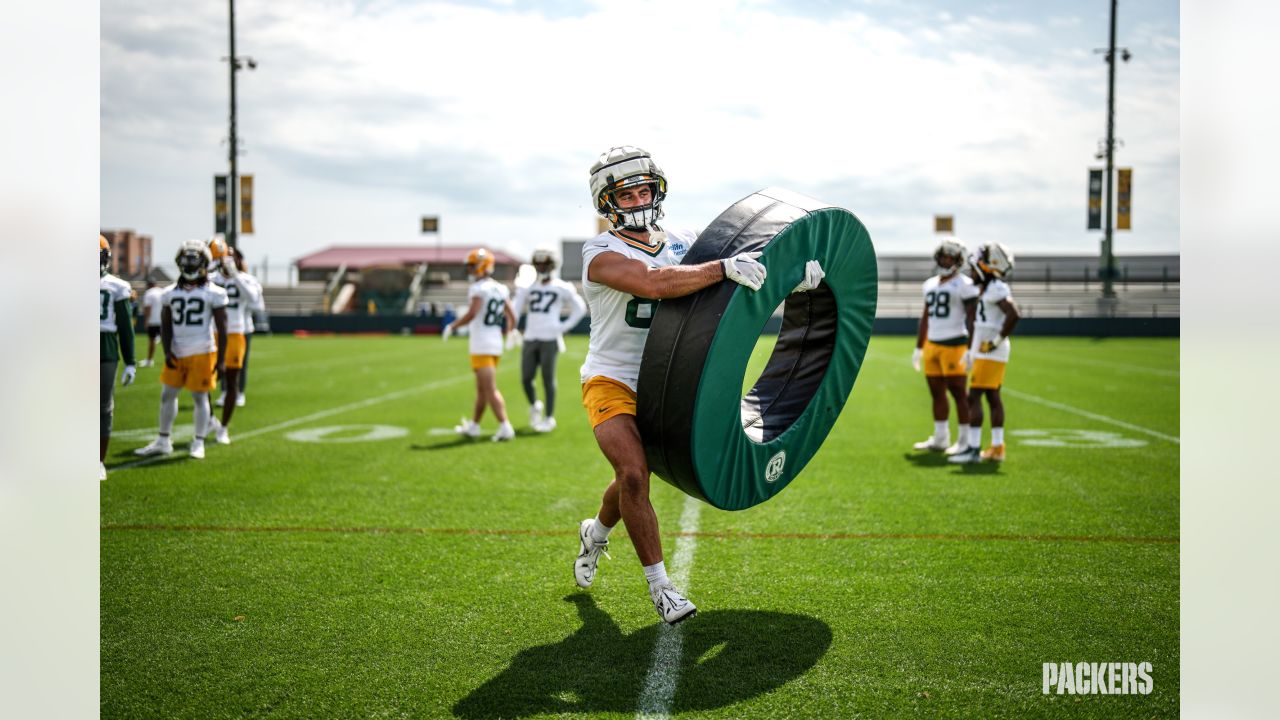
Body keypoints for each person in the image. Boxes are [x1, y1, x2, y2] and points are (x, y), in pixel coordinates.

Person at [573, 146, 822, 625]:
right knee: (633, 474)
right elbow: (652, 283)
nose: (639, 199)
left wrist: (797, 281)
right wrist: (721, 268)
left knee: (633, 475)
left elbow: (751, 270)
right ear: (607, 204)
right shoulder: (600, 252)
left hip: (666, 379)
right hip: (611, 378)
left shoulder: (686, 239)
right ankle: (661, 587)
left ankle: (596, 532)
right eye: (627, 194)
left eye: (645, 189)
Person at [134, 240, 228, 460]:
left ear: (204, 263)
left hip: (202, 351)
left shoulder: (214, 292)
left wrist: (221, 360)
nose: (189, 265)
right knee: (167, 395)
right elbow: (166, 325)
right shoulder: (169, 293)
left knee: (200, 398)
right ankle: (164, 440)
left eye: (193, 261)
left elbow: (222, 330)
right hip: (177, 350)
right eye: (186, 260)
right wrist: (167, 352)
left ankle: (198, 442)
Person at [951, 242, 1020, 464]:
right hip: (985, 350)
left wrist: (996, 341)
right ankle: (997, 447)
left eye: (975, 267)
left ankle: (973, 449)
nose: (971, 272)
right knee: (992, 397)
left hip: (991, 351)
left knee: (973, 398)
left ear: (988, 267)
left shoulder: (997, 288)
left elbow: (1013, 314)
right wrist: (972, 351)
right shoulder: (989, 289)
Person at [911, 238, 979, 455]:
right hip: (933, 344)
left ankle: (965, 440)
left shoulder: (965, 285)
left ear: (958, 260)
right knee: (936, 392)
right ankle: (941, 438)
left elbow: (972, 317)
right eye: (942, 256)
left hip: (955, 344)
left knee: (959, 393)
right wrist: (919, 347)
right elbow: (925, 317)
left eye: (950, 257)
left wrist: (971, 347)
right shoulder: (929, 284)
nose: (944, 260)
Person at [442, 248, 518, 442]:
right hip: (494, 344)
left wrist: (452, 326)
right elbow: (513, 316)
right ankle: (474, 426)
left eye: (472, 266)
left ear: (483, 265)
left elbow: (472, 314)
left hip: (481, 344)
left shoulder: (478, 289)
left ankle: (505, 426)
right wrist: (510, 332)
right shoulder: (500, 288)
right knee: (482, 390)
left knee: (490, 389)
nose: (470, 270)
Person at [512, 248, 587, 433]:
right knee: (526, 378)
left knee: (548, 378)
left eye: (544, 264)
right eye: (538, 264)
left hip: (550, 338)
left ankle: (549, 417)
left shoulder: (561, 286)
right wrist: (511, 327)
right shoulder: (529, 287)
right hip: (530, 336)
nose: (541, 267)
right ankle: (535, 405)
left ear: (552, 265)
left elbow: (580, 308)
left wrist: (563, 326)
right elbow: (515, 308)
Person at [207, 240, 263, 444]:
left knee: (232, 381)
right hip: (210, 334)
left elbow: (255, 301)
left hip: (235, 332)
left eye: (231, 256)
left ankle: (223, 428)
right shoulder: (211, 278)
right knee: (202, 384)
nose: (227, 260)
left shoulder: (246, 279)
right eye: (224, 256)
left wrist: (235, 275)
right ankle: (210, 419)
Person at [100, 235, 137, 480]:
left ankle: (98, 461)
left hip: (105, 349)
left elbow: (125, 326)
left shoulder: (117, 286)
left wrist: (131, 360)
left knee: (103, 408)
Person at [139, 281, 166, 367]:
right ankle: (171, 359)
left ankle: (149, 361)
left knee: (152, 340)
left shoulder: (149, 293)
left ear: (149, 285)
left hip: (153, 321)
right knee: (166, 341)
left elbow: (148, 307)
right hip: (163, 320)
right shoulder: (162, 291)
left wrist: (146, 320)